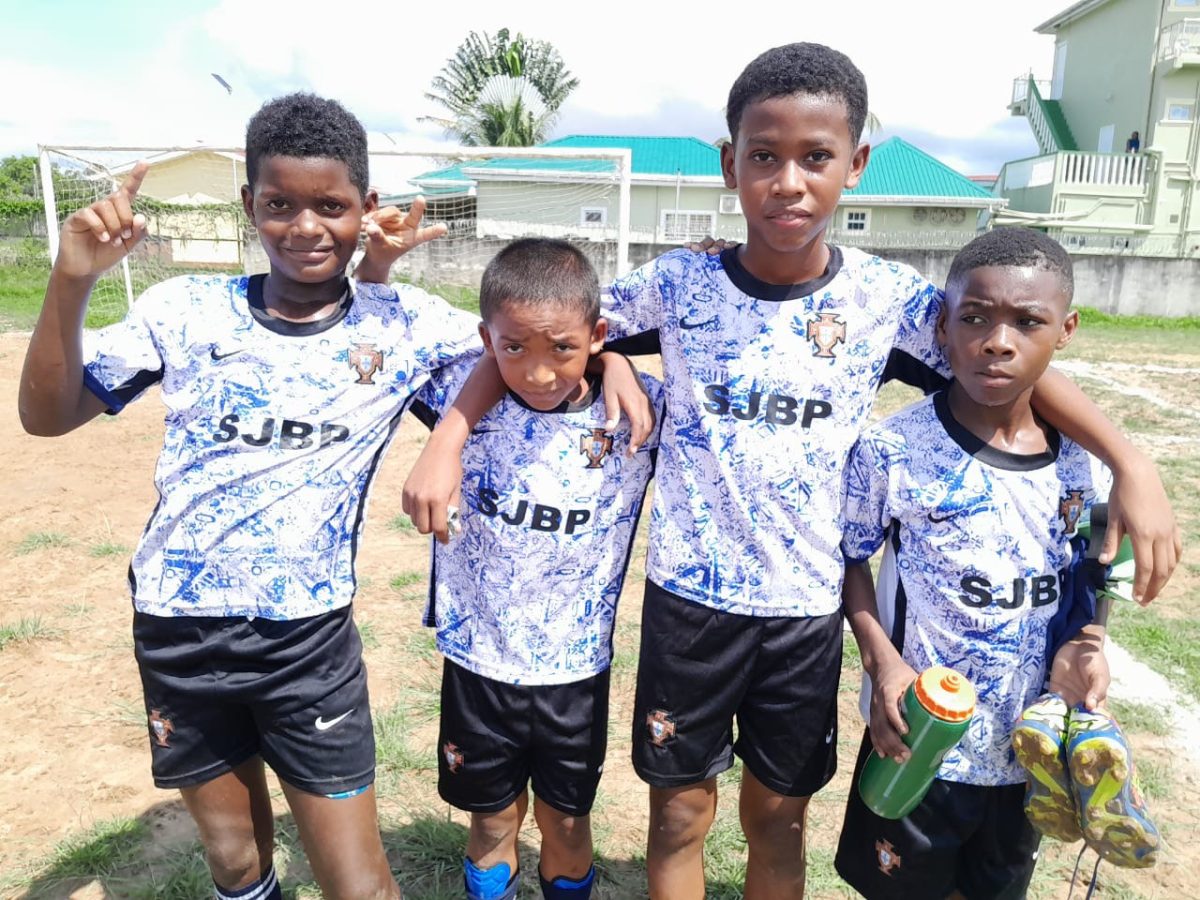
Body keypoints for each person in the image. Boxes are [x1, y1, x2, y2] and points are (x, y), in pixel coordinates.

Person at [388, 42, 1179, 898]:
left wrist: (1128, 459)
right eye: (764, 157)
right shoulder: (680, 285)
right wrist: (483, 421)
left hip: (806, 614)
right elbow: (556, 331)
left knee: (778, 819)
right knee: (681, 814)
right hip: (691, 607)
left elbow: (1009, 358)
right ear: (730, 165)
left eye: (816, 158)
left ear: (857, 165)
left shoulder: (884, 300)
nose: (789, 182)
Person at [17, 93, 651, 900]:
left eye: (331, 206)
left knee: (360, 884)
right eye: (279, 205)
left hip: (307, 644)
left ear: (365, 211)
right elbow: (46, 415)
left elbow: (528, 344)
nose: (305, 226)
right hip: (179, 629)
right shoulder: (183, 309)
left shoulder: (402, 325)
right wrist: (71, 280)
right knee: (237, 860)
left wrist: (611, 366)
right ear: (250, 206)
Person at [833, 226, 1122, 899]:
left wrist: (1088, 642)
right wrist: (883, 663)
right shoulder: (894, 450)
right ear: (944, 325)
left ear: (1066, 329)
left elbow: (1093, 572)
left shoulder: (1083, 464)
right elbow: (852, 563)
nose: (998, 340)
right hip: (918, 739)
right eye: (975, 318)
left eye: (1028, 322)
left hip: (1025, 753)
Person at [401, 238, 663, 900]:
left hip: (575, 673)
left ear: (597, 337)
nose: (538, 372)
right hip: (478, 662)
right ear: (487, 338)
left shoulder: (634, 417)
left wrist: (621, 365)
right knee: (490, 820)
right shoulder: (462, 401)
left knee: (567, 822)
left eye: (562, 350)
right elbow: (378, 324)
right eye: (513, 348)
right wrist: (445, 438)